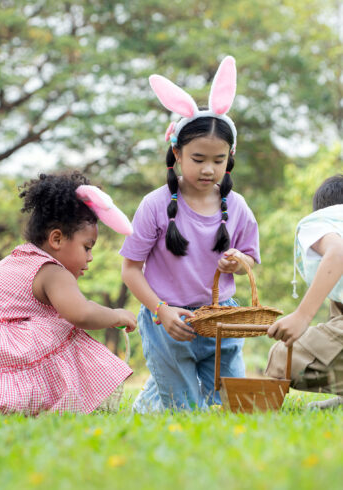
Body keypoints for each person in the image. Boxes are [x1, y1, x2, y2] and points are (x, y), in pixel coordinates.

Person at [120, 56, 260, 412]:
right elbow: (130, 269)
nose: (209, 169)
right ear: (177, 154)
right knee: (185, 409)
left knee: (231, 403)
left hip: (220, 317)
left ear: (230, 157)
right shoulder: (154, 205)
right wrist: (161, 311)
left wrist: (238, 262)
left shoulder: (237, 205)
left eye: (218, 159)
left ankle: (163, 387)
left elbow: (249, 260)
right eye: (198, 159)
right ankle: (156, 396)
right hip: (167, 318)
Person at [0, 171, 137, 415]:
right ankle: (21, 400)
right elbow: (81, 314)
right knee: (63, 326)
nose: (90, 258)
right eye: (87, 247)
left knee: (56, 322)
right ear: (57, 239)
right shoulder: (51, 270)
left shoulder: (24, 257)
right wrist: (116, 315)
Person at [266, 174, 343, 409]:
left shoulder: (322, 221)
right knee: (336, 306)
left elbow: (338, 252)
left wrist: (301, 317)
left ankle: (262, 406)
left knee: (280, 356)